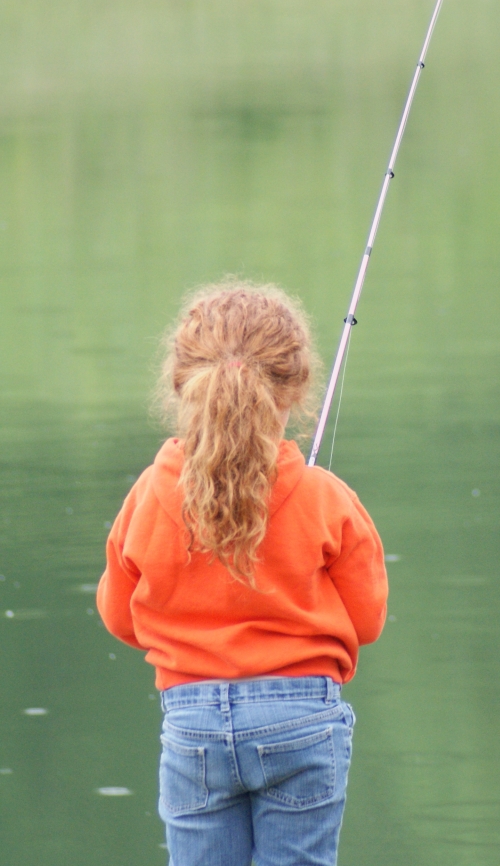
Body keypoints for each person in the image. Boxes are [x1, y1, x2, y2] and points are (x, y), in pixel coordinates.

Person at [97, 281, 388, 866]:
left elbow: (119, 614)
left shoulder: (151, 493)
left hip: (193, 720)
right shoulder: (324, 496)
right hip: (303, 717)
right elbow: (368, 619)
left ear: (182, 384)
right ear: (295, 387)